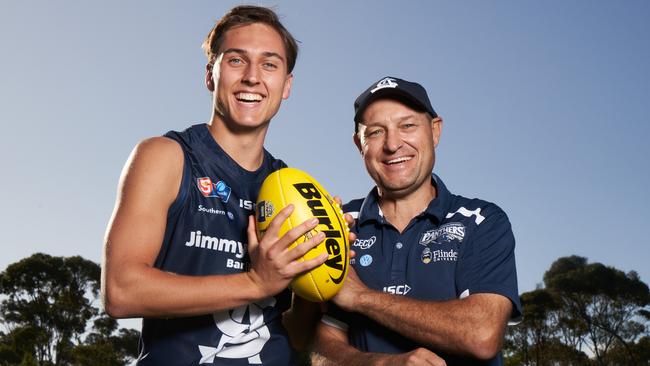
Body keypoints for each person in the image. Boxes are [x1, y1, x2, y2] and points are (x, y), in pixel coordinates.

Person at [102, 6, 330, 365]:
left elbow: (299, 334)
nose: (253, 77)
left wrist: (319, 269)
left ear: (286, 85)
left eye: (269, 64)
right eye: (237, 61)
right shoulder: (167, 156)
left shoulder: (292, 188)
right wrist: (256, 283)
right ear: (211, 74)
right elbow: (120, 291)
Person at [313, 77, 521, 365]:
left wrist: (361, 297)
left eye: (408, 126)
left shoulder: (482, 221)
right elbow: (320, 344)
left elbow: (481, 334)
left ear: (435, 131)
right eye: (375, 132)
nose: (393, 144)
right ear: (359, 144)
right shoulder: (339, 225)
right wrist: (379, 363)